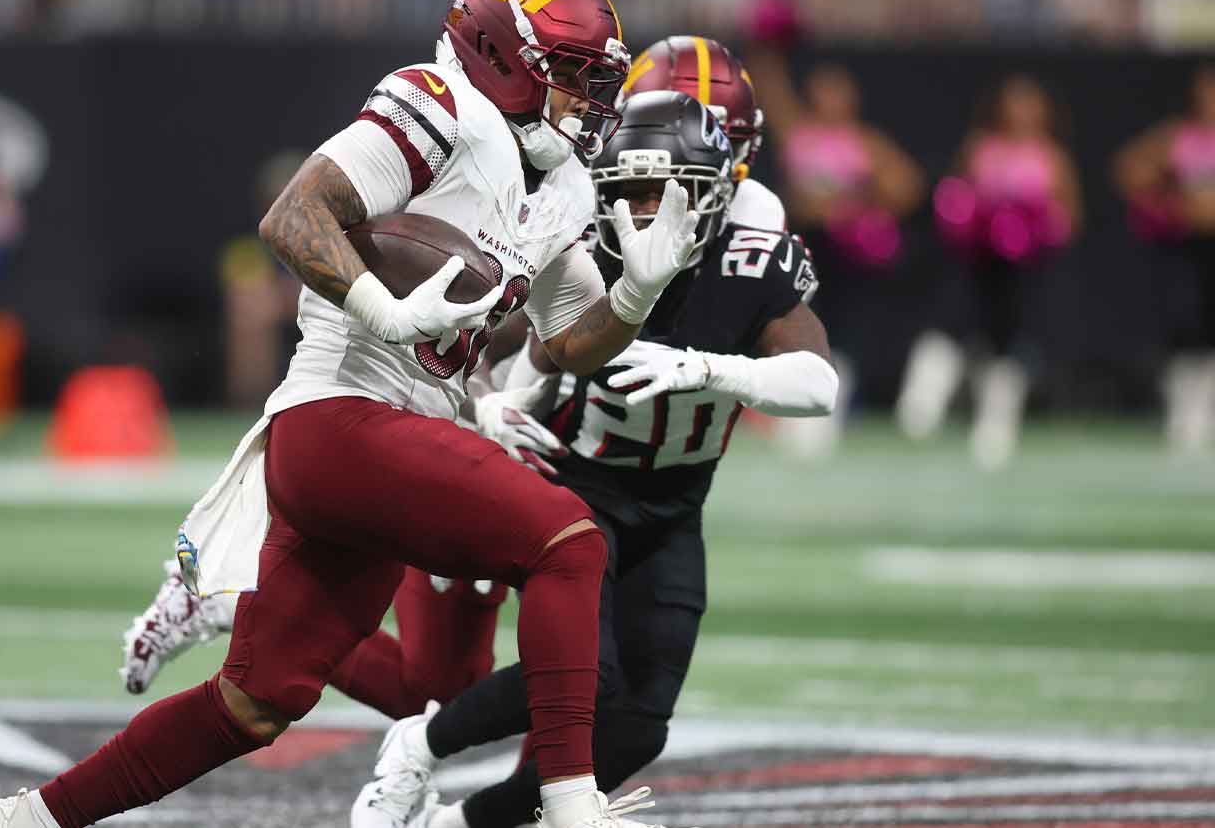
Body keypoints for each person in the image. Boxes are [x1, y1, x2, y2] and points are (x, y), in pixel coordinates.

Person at [0, 0, 701, 828]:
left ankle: (28, 818)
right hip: (344, 415)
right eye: (573, 75)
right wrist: (382, 311)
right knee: (570, 542)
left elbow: (568, 343)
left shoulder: (563, 184)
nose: (589, 101)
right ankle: (572, 806)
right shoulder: (441, 103)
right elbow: (295, 214)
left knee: (256, 705)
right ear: (504, 55)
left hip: (383, 445)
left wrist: (634, 297)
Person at [352, 90, 836, 828]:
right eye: (629, 194)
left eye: (667, 193)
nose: (645, 214)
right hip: (576, 494)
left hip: (675, 512)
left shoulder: (747, 258)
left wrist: (711, 369)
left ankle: (458, 824)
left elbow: (818, 384)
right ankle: (418, 742)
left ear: (716, 191)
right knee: (590, 674)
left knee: (640, 724)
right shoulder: (577, 255)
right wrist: (491, 413)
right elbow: (493, 351)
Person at [900, 75, 1081, 469]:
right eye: (1015, 103)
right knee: (952, 327)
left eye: (1030, 104)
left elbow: (1068, 215)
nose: (1022, 112)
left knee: (1009, 344)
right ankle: (921, 409)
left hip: (1023, 268)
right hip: (976, 260)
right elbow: (955, 196)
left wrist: (1034, 228)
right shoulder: (981, 148)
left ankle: (995, 426)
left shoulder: (1051, 156)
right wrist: (977, 221)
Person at [746, 52, 922, 454]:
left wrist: (859, 200)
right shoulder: (799, 132)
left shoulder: (865, 142)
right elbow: (771, 93)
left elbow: (908, 186)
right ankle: (786, 414)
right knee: (790, 327)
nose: (829, 99)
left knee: (838, 334)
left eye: (837, 93)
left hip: (845, 253)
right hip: (803, 246)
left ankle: (828, 416)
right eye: (822, 92)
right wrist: (769, 46)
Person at [1113, 64, 1215, 454]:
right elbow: (1128, 168)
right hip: (1187, 245)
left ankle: (1206, 408)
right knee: (1185, 322)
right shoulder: (1179, 136)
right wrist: (1168, 195)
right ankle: (1185, 411)